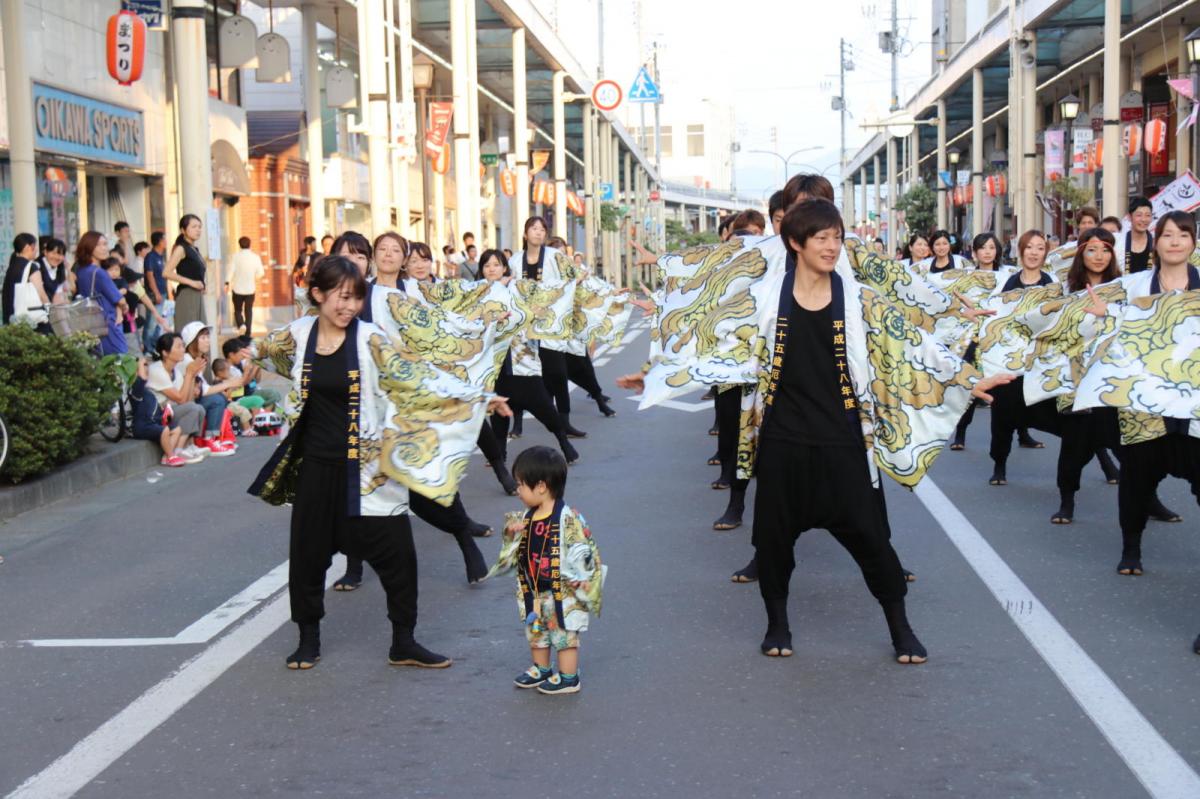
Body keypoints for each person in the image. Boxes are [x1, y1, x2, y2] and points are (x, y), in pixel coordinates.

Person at [621, 199, 1012, 664]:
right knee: (773, 540)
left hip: (843, 438)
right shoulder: (766, 297)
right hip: (783, 440)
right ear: (795, 243)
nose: (832, 247)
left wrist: (966, 379)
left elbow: (910, 342)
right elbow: (711, 336)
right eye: (822, 238)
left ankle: (900, 628)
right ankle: (777, 622)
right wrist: (657, 372)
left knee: (872, 539)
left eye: (837, 238)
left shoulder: (857, 298)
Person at [248, 255, 505, 670]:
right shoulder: (298, 334)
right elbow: (259, 352)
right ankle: (307, 639)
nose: (349, 307)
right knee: (308, 557)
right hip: (315, 466)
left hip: (368, 470)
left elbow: (417, 376)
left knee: (398, 557)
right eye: (340, 297)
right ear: (317, 295)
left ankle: (403, 640)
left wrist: (477, 397)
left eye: (355, 298)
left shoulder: (371, 339)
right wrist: (222, 357)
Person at [1083, 211, 1198, 576]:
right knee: (1135, 479)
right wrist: (1102, 316)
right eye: (1167, 235)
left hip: (1194, 407)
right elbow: (1097, 321)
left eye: (1183, 234)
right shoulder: (1132, 286)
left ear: (1193, 243)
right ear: (1156, 243)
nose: (1175, 241)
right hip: (1144, 405)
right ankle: (1131, 548)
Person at [488, 445, 604, 695]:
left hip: (561, 590)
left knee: (563, 634)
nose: (517, 490)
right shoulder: (527, 517)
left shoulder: (568, 517)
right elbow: (513, 550)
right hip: (533, 589)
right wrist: (511, 533)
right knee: (536, 631)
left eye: (521, 484)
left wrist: (582, 579)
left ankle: (569, 677)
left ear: (540, 486)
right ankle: (541, 668)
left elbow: (584, 548)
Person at [480, 248, 580, 465]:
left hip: (522, 359)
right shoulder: (478, 294)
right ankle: (500, 457)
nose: (491, 269)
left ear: (504, 268)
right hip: (494, 367)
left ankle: (564, 442)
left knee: (544, 407)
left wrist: (574, 281)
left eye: (496, 264)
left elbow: (549, 293)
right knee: (498, 414)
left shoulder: (521, 287)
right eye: (487, 265)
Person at [144, 332, 211, 463]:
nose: (183, 350)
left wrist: (192, 376)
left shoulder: (176, 372)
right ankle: (178, 449)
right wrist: (190, 373)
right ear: (165, 353)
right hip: (156, 415)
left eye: (183, 346)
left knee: (199, 408)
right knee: (193, 408)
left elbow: (188, 399)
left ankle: (188, 446)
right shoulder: (156, 370)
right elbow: (180, 399)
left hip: (169, 411)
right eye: (179, 346)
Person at [178, 321, 243, 454]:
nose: (207, 341)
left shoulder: (196, 359)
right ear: (191, 341)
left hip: (190, 400)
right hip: (182, 403)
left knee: (220, 398)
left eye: (208, 336)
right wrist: (229, 384)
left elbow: (204, 388)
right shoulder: (187, 360)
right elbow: (202, 391)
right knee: (217, 399)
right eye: (203, 337)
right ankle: (210, 439)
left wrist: (228, 384)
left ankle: (216, 438)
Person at [129, 356, 201, 466]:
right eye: (143, 368)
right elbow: (142, 378)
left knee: (176, 429)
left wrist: (165, 411)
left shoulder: (148, 392)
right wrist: (141, 362)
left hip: (154, 422)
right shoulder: (135, 391)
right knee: (165, 430)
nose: (147, 370)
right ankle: (171, 456)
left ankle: (167, 456)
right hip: (142, 426)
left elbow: (154, 408)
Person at [71, 232, 128, 354]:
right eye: (99, 245)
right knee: (120, 361)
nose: (104, 248)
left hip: (90, 324)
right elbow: (119, 299)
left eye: (105, 244)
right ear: (89, 248)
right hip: (108, 323)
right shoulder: (100, 273)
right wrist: (124, 306)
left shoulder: (81, 270)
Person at [163, 214, 207, 329]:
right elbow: (166, 272)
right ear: (183, 230)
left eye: (199, 226)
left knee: (200, 334)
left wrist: (202, 285)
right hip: (187, 295)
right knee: (189, 334)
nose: (198, 230)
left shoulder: (194, 249)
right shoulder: (181, 248)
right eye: (194, 227)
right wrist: (192, 283)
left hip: (197, 295)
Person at [2, 232, 49, 328]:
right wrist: (49, 307)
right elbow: (40, 293)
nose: (36, 250)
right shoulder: (31, 266)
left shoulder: (11, 267)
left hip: (11, 319)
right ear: (30, 247)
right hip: (29, 321)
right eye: (35, 247)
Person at [228, 236, 265, 335]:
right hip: (250, 289)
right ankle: (248, 333)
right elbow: (261, 273)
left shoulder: (235, 257)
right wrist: (254, 277)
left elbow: (231, 271)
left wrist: (227, 282)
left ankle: (241, 325)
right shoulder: (255, 257)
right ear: (250, 244)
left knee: (237, 310)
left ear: (239, 244)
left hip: (237, 289)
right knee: (248, 311)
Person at [1123, 196, 1153, 274]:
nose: (1143, 219)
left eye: (1148, 215)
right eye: (1139, 215)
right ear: (1130, 217)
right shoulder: (1119, 241)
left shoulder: (1156, 243)